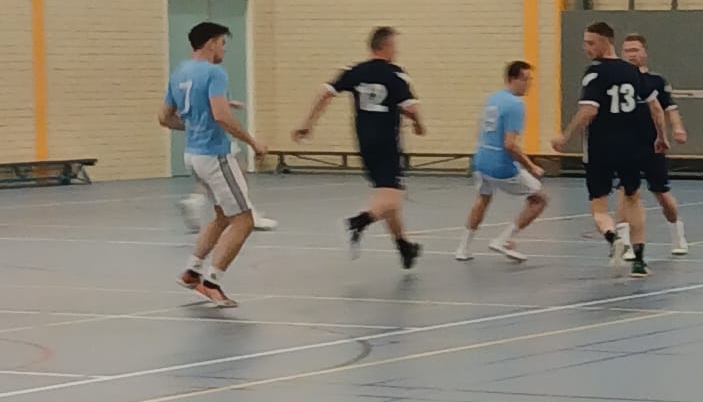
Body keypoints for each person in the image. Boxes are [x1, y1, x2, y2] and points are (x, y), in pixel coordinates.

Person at [292, 27, 425, 271]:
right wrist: (418, 124)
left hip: (364, 141)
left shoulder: (356, 71)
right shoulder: (395, 74)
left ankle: (404, 247)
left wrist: (308, 124)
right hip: (387, 141)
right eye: (394, 46)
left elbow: (326, 93)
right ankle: (357, 223)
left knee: (386, 195)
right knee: (392, 196)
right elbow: (410, 107)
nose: (396, 51)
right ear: (384, 47)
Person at [158, 19, 267, 310]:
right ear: (210, 44)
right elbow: (220, 116)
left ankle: (191, 271)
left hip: (192, 155)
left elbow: (164, 117)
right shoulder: (214, 72)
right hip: (216, 155)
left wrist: (196, 125)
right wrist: (253, 142)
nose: (223, 50)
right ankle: (212, 282)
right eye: (222, 43)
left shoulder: (180, 72)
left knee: (222, 217)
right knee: (244, 221)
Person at [551, 21, 665, 277]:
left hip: (600, 148)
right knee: (633, 199)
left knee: (599, 207)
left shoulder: (594, 73)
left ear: (606, 42)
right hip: (631, 147)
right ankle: (639, 262)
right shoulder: (633, 72)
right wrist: (661, 136)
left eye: (590, 43)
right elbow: (655, 108)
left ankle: (614, 239)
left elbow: (589, 111)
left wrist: (565, 137)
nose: (586, 48)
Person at [456, 60, 548, 263]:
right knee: (539, 199)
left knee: (483, 199)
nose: (528, 84)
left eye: (530, 80)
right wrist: (531, 166)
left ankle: (463, 248)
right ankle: (503, 240)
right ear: (511, 79)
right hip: (499, 165)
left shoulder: (493, 98)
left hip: (481, 160)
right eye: (525, 80)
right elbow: (510, 145)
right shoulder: (516, 105)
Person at [621, 32, 688, 257]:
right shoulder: (617, 81)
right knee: (626, 193)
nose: (631, 54)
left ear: (644, 52)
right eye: (627, 51)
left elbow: (669, 108)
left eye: (635, 50)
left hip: (652, 145)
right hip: (625, 146)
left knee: (662, 193)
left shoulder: (656, 81)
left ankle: (677, 234)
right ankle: (627, 244)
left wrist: (677, 128)